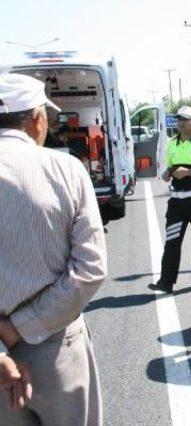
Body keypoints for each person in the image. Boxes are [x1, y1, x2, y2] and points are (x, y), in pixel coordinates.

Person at [0, 73, 106, 425]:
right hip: (56, 348)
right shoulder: (65, 169)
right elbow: (90, 269)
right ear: (37, 119)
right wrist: (21, 327)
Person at [149, 106, 191, 294]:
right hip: (177, 203)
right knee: (172, 241)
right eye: (179, 119)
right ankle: (166, 281)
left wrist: (188, 172)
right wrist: (167, 173)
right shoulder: (172, 144)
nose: (180, 122)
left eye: (185, 119)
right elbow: (172, 168)